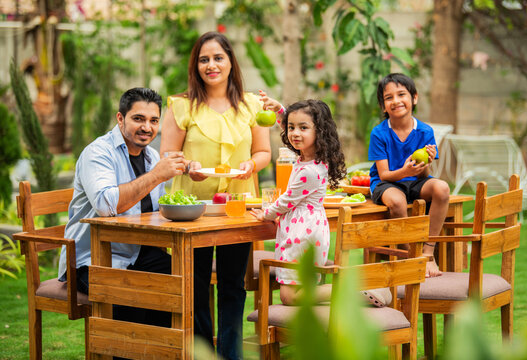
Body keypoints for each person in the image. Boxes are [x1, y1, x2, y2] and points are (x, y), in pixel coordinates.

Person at [159, 31, 281, 359]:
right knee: (196, 288)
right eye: (204, 59)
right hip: (192, 211)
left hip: (237, 207)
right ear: (196, 65)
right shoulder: (181, 106)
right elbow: (168, 154)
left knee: (233, 286)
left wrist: (249, 165)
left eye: (217, 58)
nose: (211, 65)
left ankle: (231, 353)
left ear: (230, 62)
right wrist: (188, 167)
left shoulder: (252, 105)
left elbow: (263, 152)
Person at [57, 87, 186, 329]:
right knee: (131, 296)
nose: (147, 127)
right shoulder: (97, 153)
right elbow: (107, 206)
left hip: (138, 253)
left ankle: (165, 351)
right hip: (92, 260)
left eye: (153, 120)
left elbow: (155, 211)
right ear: (120, 118)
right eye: (138, 119)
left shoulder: (151, 157)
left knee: (185, 282)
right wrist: (156, 176)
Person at [250, 99, 347, 305]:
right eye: (291, 127)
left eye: (303, 128)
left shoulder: (309, 171)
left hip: (302, 233)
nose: (295, 133)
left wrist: (266, 213)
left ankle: (346, 291)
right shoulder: (312, 157)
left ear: (319, 131)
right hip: (308, 228)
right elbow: (292, 128)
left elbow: (287, 201)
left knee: (289, 296)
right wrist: (280, 111)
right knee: (302, 289)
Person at [368, 73, 450, 278]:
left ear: (414, 98)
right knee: (397, 201)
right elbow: (384, 174)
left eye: (401, 94)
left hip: (414, 180)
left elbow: (425, 175)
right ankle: (411, 255)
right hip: (386, 182)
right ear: (383, 106)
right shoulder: (379, 133)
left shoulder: (424, 131)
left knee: (442, 188)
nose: (396, 101)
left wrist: (425, 164)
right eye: (389, 97)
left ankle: (428, 253)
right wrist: (404, 172)